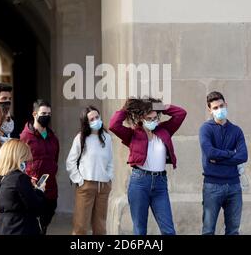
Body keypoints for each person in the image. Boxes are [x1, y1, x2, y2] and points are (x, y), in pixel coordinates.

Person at [109, 98, 187, 235]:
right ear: (141, 118)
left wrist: (157, 105)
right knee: (140, 230)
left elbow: (181, 113)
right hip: (139, 182)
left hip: (160, 183)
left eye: (155, 117)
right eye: (149, 118)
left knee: (168, 230)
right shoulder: (133, 134)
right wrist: (126, 108)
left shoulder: (164, 130)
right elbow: (114, 125)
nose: (153, 121)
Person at [199, 91, 248, 235]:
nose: (219, 110)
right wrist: (231, 154)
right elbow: (210, 153)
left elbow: (243, 156)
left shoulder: (236, 131)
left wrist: (219, 159)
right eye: (215, 108)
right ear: (210, 110)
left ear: (226, 105)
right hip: (212, 186)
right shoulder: (205, 129)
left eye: (221, 106)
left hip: (234, 186)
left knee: (233, 231)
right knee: (208, 230)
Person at [66, 106, 113, 235]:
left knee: (100, 227)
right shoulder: (81, 138)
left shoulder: (107, 138)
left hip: (103, 186)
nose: (95, 120)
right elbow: (70, 161)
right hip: (86, 185)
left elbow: (110, 161)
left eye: (97, 117)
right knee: (81, 226)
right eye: (92, 119)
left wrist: (109, 177)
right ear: (86, 122)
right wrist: (79, 180)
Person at [0, 139, 46, 235]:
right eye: (25, 160)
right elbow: (36, 207)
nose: (26, 163)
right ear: (18, 158)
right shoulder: (20, 178)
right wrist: (39, 191)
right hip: (21, 228)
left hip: (0, 228)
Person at [20, 99, 59, 235]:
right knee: (34, 227)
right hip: (33, 189)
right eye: (43, 113)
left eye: (49, 113)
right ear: (34, 114)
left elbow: (55, 160)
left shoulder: (53, 137)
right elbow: (20, 164)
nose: (46, 116)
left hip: (51, 189)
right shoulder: (25, 137)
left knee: (44, 224)